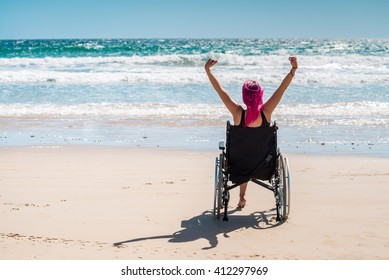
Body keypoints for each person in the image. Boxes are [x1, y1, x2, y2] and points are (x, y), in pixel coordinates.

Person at [205, 56, 298, 208]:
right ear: (260, 94)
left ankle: (242, 197)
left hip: (238, 166)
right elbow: (282, 89)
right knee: (252, 154)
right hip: (264, 166)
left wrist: (208, 71)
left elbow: (219, 90)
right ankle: (242, 196)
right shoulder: (266, 112)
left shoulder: (237, 113)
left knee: (244, 155)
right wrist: (293, 70)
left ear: (244, 96)